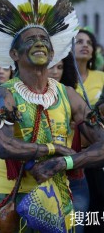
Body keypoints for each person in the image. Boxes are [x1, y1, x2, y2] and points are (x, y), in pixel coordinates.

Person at [0, 0, 104, 232]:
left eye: (44, 39)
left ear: (53, 51)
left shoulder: (68, 95)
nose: (40, 43)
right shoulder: (6, 95)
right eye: (30, 40)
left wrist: (65, 164)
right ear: (14, 54)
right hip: (10, 195)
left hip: (58, 195)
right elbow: (4, 146)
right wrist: (52, 150)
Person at [48, 53, 89, 233]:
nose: (56, 72)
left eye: (60, 67)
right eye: (51, 66)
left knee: (75, 228)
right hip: (43, 178)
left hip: (75, 178)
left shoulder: (71, 96)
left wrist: (77, 128)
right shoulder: (24, 97)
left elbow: (91, 142)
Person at [74, 27, 104, 228]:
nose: (85, 45)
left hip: (97, 151)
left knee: (97, 211)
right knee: (77, 212)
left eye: (89, 43)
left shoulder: (102, 78)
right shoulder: (60, 79)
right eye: (79, 41)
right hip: (71, 153)